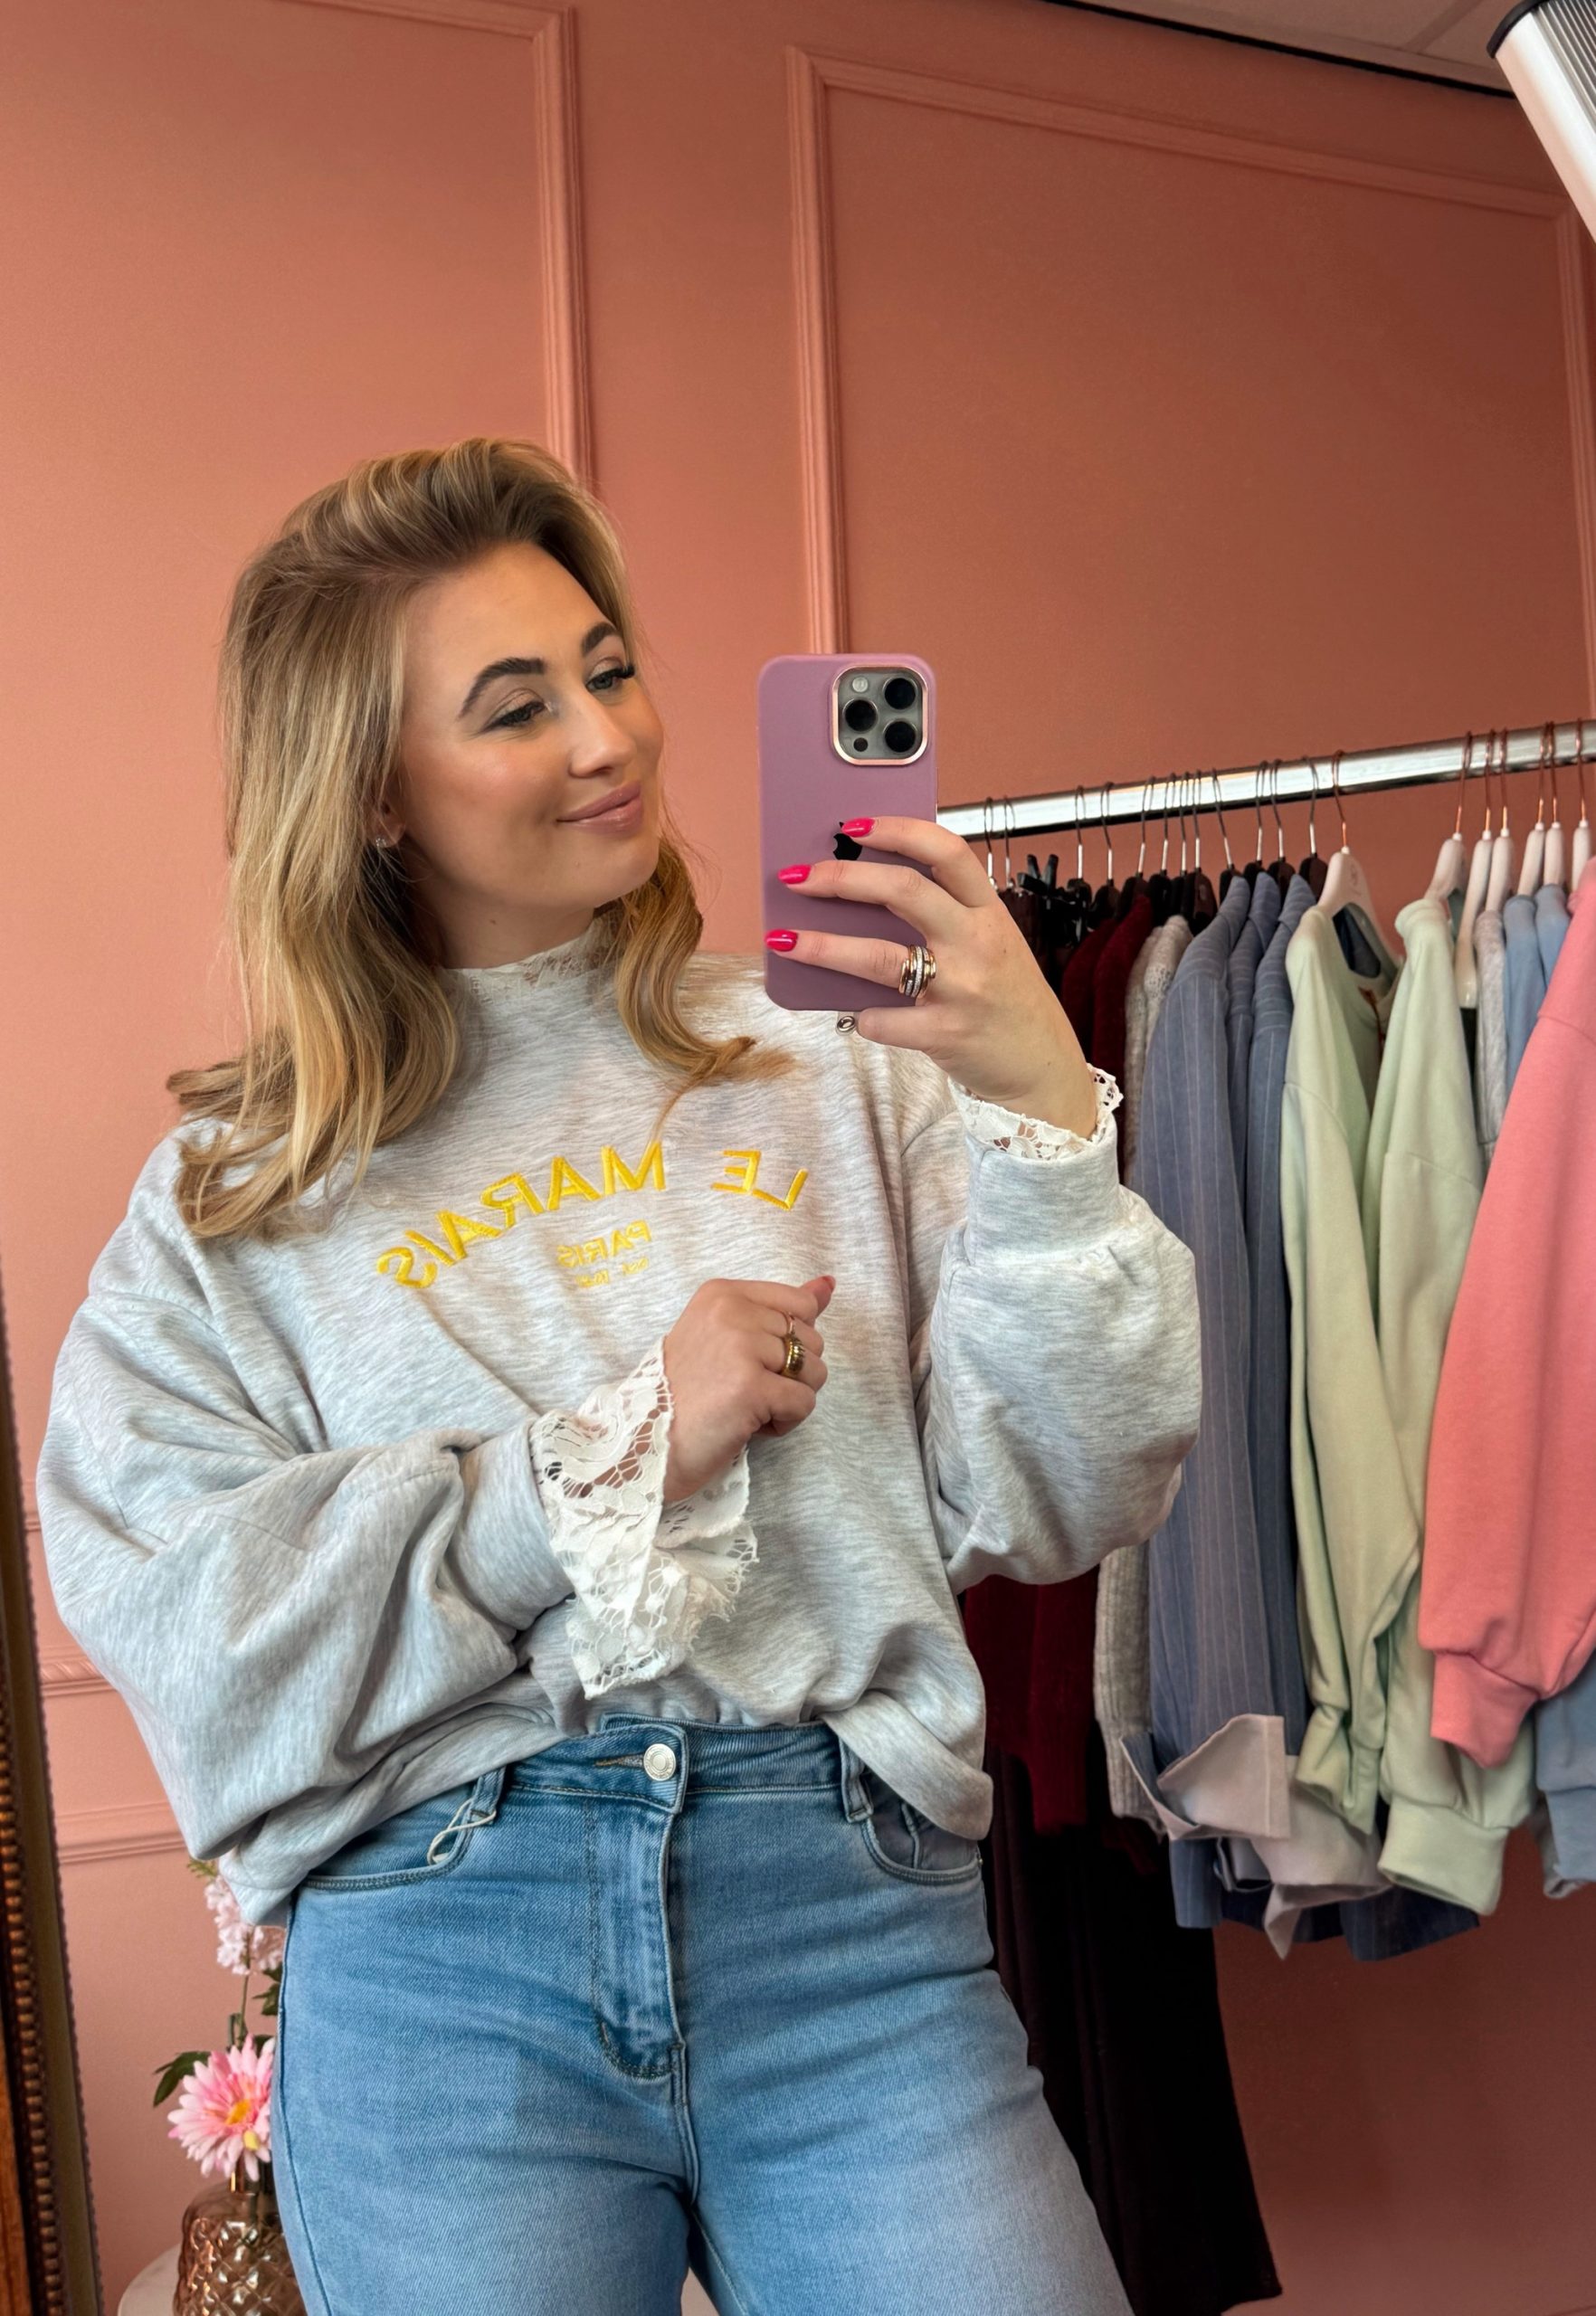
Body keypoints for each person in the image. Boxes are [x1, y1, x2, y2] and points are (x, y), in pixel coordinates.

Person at [35, 436, 1201, 2314]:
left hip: (846, 1930)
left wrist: (1043, 1112)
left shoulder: (837, 1059)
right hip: (443, 1962)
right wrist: (596, 1457)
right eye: (516, 707)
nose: (608, 738)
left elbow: (1074, 1490)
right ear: (373, 792)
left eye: (609, 667)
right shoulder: (238, 1193)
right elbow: (188, 1627)